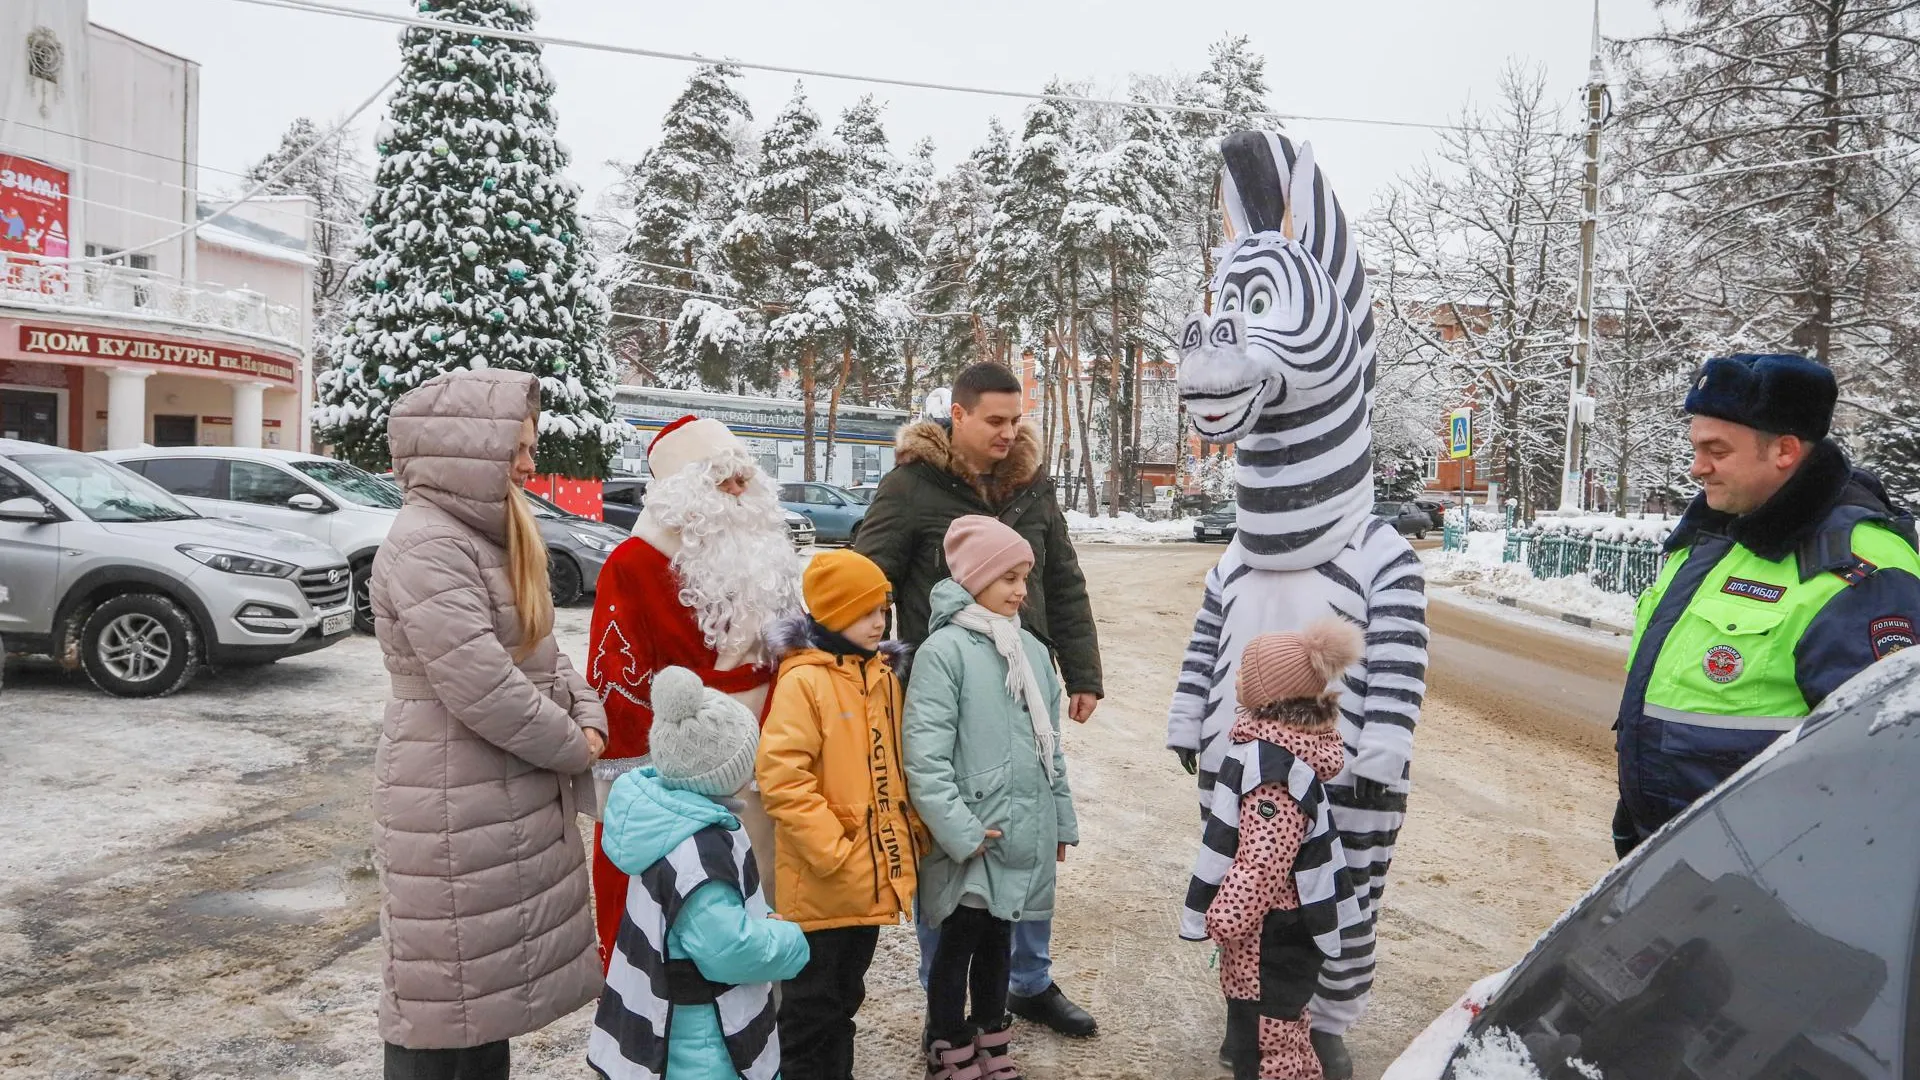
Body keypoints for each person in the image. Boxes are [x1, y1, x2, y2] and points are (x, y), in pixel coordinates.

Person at [1166, 130, 1428, 1080]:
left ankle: (1322, 1019)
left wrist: (1381, 750)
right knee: (1241, 878)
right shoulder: (1237, 558)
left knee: (1339, 892)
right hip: (1238, 765)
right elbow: (1207, 643)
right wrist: (1189, 720)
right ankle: (1249, 1011)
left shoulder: (1378, 555)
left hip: (1343, 775)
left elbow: (1396, 664)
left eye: (1258, 304)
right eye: (1230, 307)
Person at [370, 368, 607, 1080]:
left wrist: (588, 711)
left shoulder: (488, 535)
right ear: (466, 449)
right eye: (518, 447)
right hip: (450, 795)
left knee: (485, 995)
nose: (531, 463)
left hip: (490, 789)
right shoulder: (428, 543)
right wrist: (573, 744)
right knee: (443, 994)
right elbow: (481, 684)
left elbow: (540, 649)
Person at [856, 361, 1103, 1037]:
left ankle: (1028, 981)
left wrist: (1082, 671)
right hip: (951, 694)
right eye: (995, 420)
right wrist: (865, 672)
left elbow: (1064, 580)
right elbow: (866, 581)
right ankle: (945, 1000)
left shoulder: (1032, 485)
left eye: (1016, 420)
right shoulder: (911, 486)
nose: (1008, 432)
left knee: (1025, 826)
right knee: (955, 842)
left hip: (1025, 689)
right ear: (957, 415)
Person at [1614, 353, 1920, 854]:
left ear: (1784, 450)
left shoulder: (1859, 567)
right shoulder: (1715, 533)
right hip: (1670, 857)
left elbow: (1883, 769)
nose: (1697, 468)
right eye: (1695, 448)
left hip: (1771, 870)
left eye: (1716, 450)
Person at [587, 413, 802, 964]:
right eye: (723, 479)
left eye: (744, 476)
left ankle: (766, 998)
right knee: (693, 893)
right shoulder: (635, 563)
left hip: (771, 742)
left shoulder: (766, 555)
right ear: (685, 491)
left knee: (764, 879)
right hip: (684, 758)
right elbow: (618, 677)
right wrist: (634, 782)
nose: (740, 489)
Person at [905, 517, 1078, 1080]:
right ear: (975, 578)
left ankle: (990, 1037)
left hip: (1019, 827)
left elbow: (1050, 748)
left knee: (999, 939)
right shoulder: (943, 651)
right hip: (972, 832)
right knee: (956, 942)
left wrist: (1059, 821)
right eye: (1008, 577)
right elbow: (925, 759)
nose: (1021, 590)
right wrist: (960, 830)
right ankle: (946, 1041)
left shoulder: (1030, 650)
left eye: (1025, 577)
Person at [588, 666, 810, 1080]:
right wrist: (788, 941)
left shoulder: (666, 820)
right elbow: (728, 951)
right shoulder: (697, 853)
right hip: (703, 1044)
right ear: (725, 773)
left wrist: (755, 918)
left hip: (676, 1028)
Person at [757, 550, 922, 1080]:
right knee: (811, 1005)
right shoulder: (804, 681)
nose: (880, 623)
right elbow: (782, 777)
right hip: (824, 878)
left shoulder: (881, 676)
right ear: (831, 614)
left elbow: (893, 767)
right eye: (865, 612)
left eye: (883, 611)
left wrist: (911, 832)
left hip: (868, 875)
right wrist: (832, 849)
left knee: (846, 994)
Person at [1187, 622, 1367, 1080]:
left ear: (1271, 693)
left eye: (1245, 672)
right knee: (1284, 1033)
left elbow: (1264, 859)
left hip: (1272, 932)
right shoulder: (1278, 748)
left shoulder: (1274, 770)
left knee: (1264, 1044)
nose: (1237, 678)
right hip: (1280, 927)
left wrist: (1226, 915)